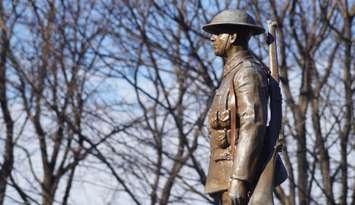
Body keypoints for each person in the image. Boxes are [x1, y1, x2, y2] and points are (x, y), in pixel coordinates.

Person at [202, 10, 287, 205]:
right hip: (223, 175)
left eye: (218, 33)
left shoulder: (247, 72)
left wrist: (240, 178)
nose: (212, 38)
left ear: (232, 37)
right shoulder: (231, 74)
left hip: (238, 178)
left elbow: (253, 124)